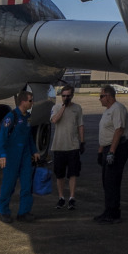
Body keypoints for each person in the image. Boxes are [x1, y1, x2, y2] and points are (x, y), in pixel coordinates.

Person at [0, 86, 35, 222]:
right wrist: (2, 155)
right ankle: (4, 210)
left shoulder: (28, 118)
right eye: (30, 101)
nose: (32, 103)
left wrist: (34, 151)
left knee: (26, 184)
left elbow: (29, 136)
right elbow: (2, 136)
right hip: (11, 156)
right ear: (23, 102)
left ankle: (23, 212)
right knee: (9, 184)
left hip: (25, 155)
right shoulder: (11, 117)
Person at [94, 83, 128, 223]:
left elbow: (119, 130)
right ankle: (108, 210)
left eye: (101, 96)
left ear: (108, 96)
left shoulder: (117, 109)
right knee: (106, 182)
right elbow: (106, 133)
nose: (100, 99)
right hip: (107, 148)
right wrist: (100, 151)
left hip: (117, 148)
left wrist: (112, 152)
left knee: (112, 181)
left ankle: (114, 213)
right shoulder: (108, 110)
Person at [49, 81, 85, 211]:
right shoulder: (57, 107)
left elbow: (80, 125)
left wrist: (82, 141)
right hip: (59, 146)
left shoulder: (77, 108)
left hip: (73, 146)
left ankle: (71, 198)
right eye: (63, 96)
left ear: (72, 95)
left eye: (68, 96)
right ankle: (61, 197)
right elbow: (54, 120)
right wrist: (63, 107)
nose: (65, 98)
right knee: (60, 175)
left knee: (73, 173)